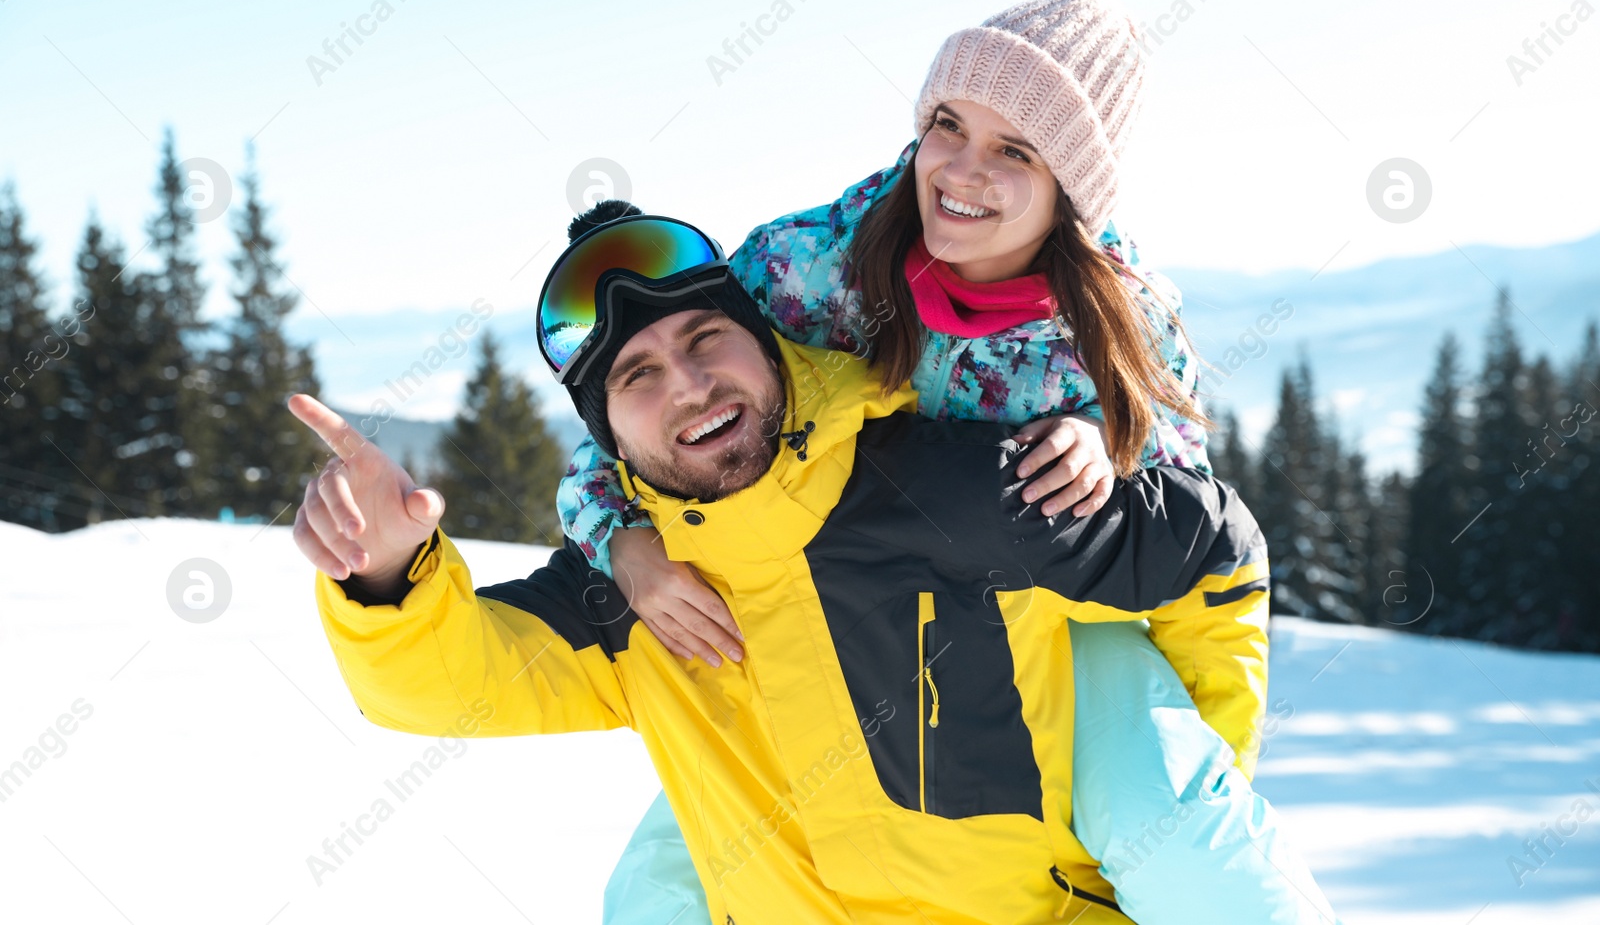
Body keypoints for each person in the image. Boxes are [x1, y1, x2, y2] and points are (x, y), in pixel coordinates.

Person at [291, 207, 1338, 922]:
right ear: (603, 429)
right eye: (639, 375)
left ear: (766, 338)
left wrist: (1180, 767)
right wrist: (382, 575)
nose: (691, 384)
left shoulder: (958, 486)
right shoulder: (629, 601)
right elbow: (446, 680)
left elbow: (1211, 564)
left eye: (708, 337)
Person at [558, 0, 1291, 923]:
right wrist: (623, 544)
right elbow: (638, 412)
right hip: (836, 622)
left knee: (1182, 842)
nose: (962, 169)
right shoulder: (811, 269)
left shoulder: (1119, 318)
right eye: (949, 124)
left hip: (1056, 629)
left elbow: (1187, 514)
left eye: (1014, 149)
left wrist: (1105, 449)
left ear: (1073, 187)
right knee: (664, 882)